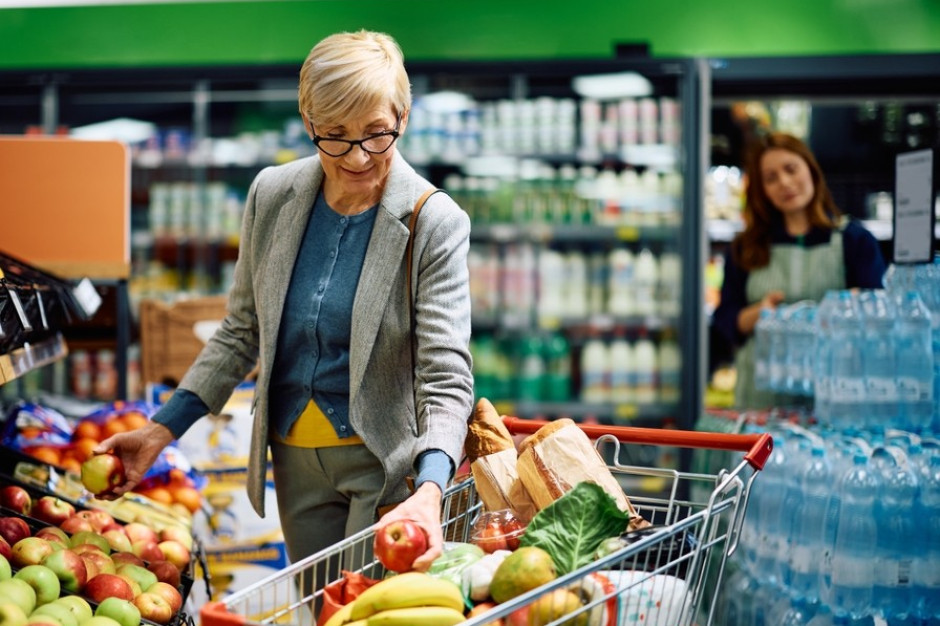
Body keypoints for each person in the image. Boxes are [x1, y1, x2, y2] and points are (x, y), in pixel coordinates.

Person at [95, 30, 474, 572]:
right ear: (308, 122)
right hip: (293, 462)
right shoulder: (273, 195)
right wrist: (162, 430)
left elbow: (445, 375)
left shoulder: (433, 221)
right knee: (318, 606)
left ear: (404, 116)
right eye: (335, 136)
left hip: (388, 470)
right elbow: (241, 330)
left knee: (365, 611)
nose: (359, 156)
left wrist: (432, 488)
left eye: (376, 134)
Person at [712, 131, 886, 410]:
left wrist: (854, 307)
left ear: (811, 169)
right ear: (762, 190)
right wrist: (759, 313)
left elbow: (880, 318)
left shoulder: (854, 240)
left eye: (791, 169)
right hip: (761, 403)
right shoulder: (746, 247)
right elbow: (725, 320)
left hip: (836, 402)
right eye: (771, 178)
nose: (785, 183)